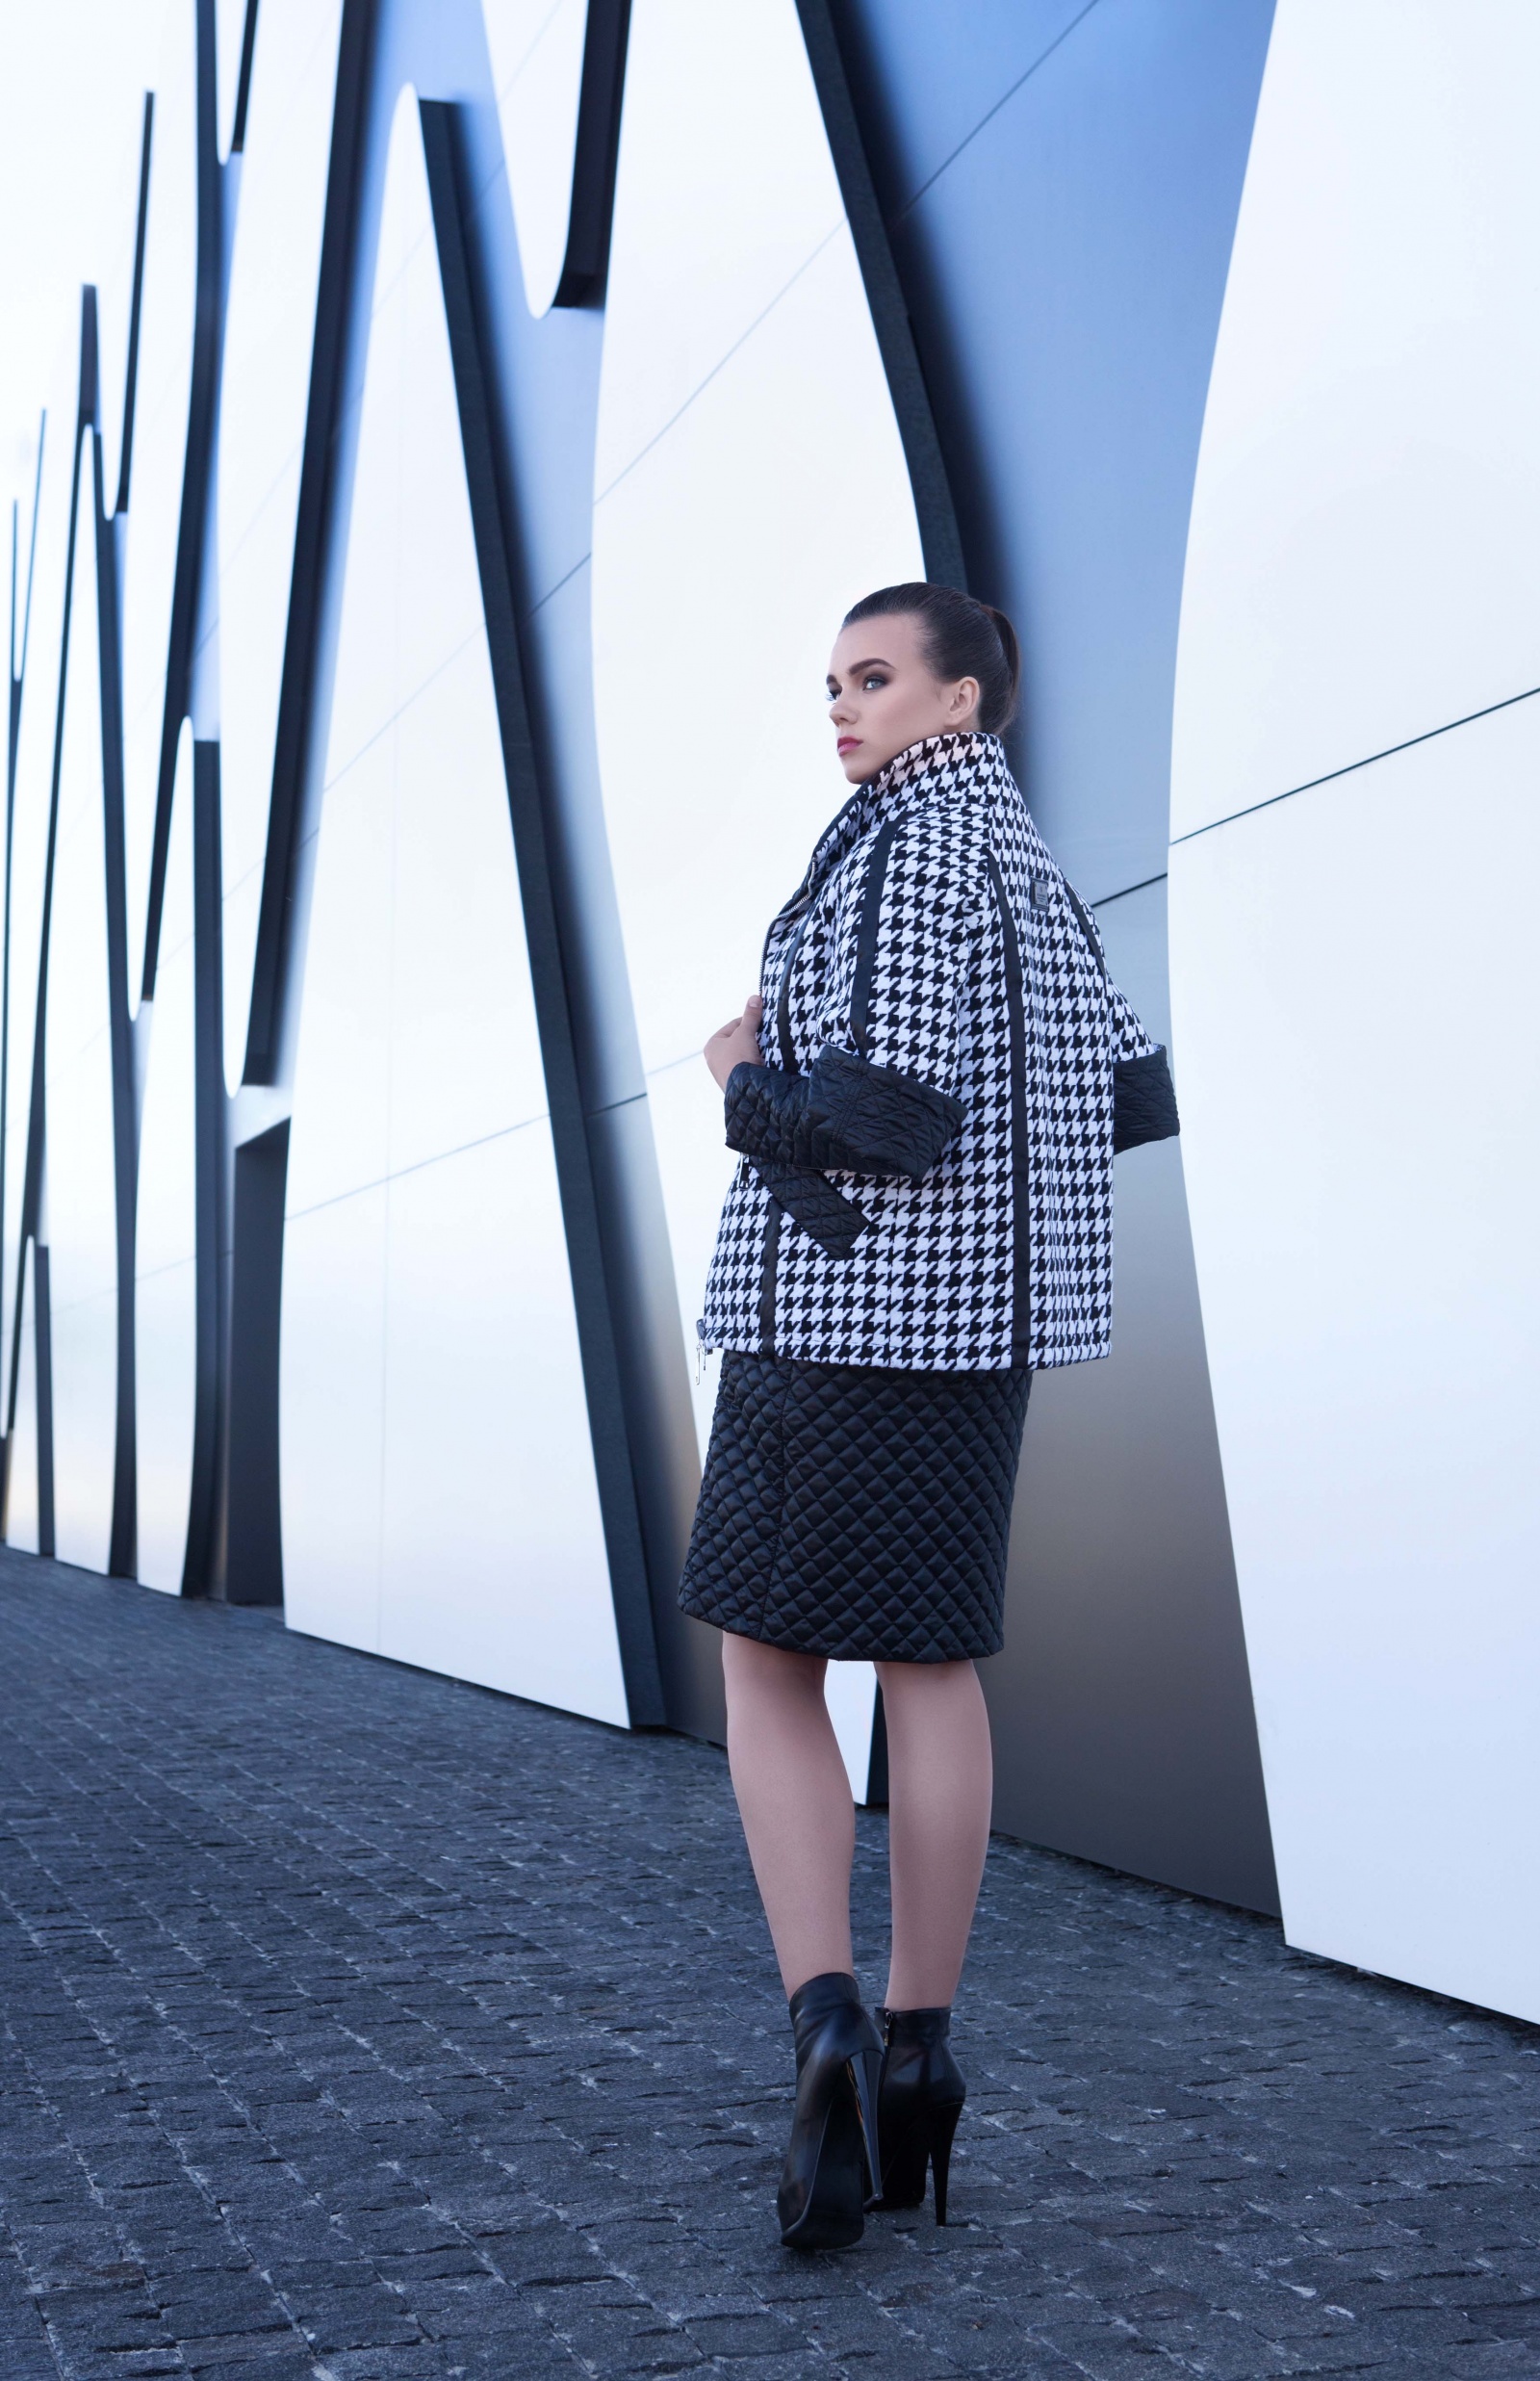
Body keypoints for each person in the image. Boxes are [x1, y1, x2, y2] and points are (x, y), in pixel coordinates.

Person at [680, 582, 1178, 2251]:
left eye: (876, 677)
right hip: (979, 1344)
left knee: (767, 1664)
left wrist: (743, 1078)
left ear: (961, 699)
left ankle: (823, 2017)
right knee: (932, 1667)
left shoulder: (904, 851)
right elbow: (1129, 1092)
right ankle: (921, 2050)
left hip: (835, 1326)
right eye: (833, 681)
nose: (843, 705)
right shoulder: (1029, 864)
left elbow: (883, 1120)